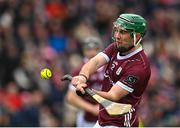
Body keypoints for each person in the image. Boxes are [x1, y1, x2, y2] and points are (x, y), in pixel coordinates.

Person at [71, 13, 151, 127]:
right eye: (116, 30)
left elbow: (113, 96)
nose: (117, 36)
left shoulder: (138, 67)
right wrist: (82, 77)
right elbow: (95, 62)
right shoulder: (116, 47)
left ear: (136, 37)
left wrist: (87, 91)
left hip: (120, 123)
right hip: (103, 119)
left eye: (122, 32)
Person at [66, 36, 105, 127]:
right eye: (88, 49)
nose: (92, 52)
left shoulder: (109, 67)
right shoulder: (78, 70)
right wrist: (92, 109)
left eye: (95, 49)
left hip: (109, 116)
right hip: (88, 119)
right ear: (83, 51)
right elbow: (71, 97)